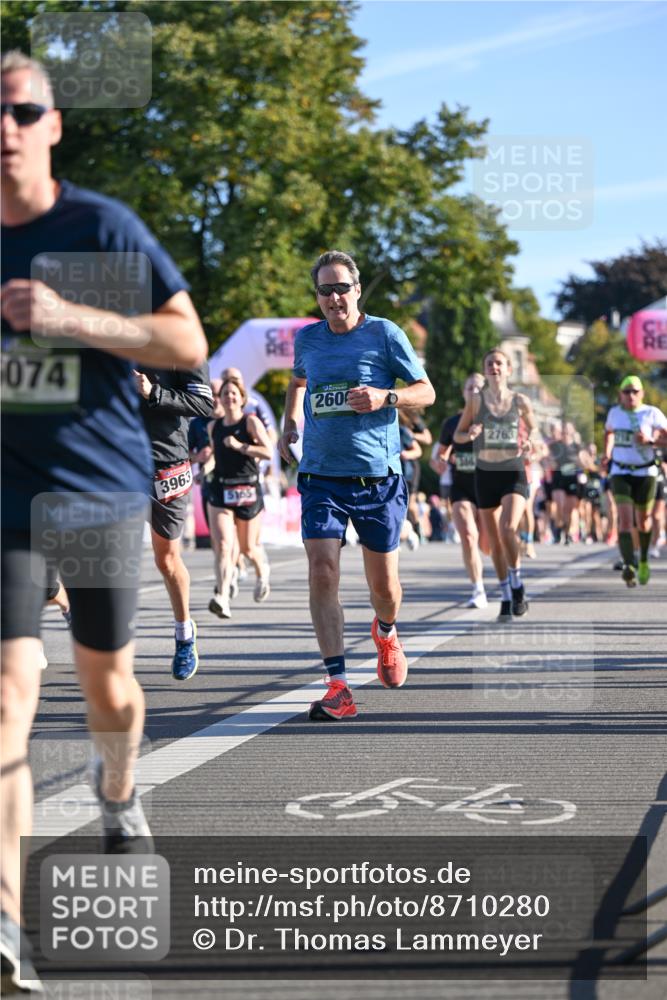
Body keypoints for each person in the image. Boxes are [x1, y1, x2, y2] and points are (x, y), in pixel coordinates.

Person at [0, 51, 207, 993]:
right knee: (9, 691)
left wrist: (71, 317)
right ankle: (6, 923)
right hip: (5, 493)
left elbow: (185, 342)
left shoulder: (100, 225)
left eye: (23, 111)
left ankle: (117, 792)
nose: (5, 129)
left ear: (52, 125)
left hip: (96, 486)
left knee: (108, 688)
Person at [279, 250, 435, 720]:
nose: (333, 298)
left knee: (384, 587)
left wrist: (387, 397)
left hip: (377, 478)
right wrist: (289, 424)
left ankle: (386, 630)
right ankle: (338, 685)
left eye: (341, 288)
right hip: (321, 474)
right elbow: (298, 382)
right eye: (324, 290)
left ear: (357, 290)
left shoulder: (384, 334)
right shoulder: (308, 339)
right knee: (322, 571)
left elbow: (425, 391)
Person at [134, 361, 213, 680]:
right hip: (117, 460)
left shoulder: (182, 344)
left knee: (166, 559)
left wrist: (154, 392)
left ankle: (184, 633)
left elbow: (203, 403)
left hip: (166, 461)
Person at [454, 348, 538, 622]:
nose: (494, 367)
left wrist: (529, 442)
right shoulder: (476, 402)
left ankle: (517, 583)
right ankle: (505, 594)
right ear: (485, 368)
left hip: (512, 470)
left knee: (508, 529)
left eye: (499, 363)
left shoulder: (520, 400)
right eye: (489, 363)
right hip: (485, 473)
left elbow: (535, 429)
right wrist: (471, 433)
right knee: (494, 542)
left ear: (509, 369)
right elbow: (459, 434)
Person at [206, 376, 273, 618]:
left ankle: (262, 570)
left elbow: (268, 451)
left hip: (247, 489)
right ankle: (222, 597)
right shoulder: (213, 427)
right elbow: (215, 455)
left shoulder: (250, 422)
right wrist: (205, 466)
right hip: (222, 490)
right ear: (220, 399)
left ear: (242, 398)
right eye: (225, 393)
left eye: (233, 393)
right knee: (224, 545)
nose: (229, 397)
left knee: (247, 548)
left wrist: (240, 446)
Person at [602, 376, 667, 586]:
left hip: (645, 472)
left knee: (644, 521)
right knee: (625, 520)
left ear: (642, 394)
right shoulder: (614, 413)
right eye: (626, 392)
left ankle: (644, 559)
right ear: (620, 394)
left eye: (635, 392)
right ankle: (629, 564)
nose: (630, 395)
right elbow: (609, 433)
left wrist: (651, 441)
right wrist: (607, 453)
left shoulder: (651, 413)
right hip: (620, 471)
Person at [435, 373, 488, 608]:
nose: (474, 392)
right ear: (463, 393)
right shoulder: (451, 423)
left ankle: (506, 577)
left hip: (489, 486)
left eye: (478, 388)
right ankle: (478, 589)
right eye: (469, 388)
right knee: (468, 535)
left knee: (488, 544)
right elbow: (440, 454)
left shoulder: (494, 420)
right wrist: (441, 461)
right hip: (461, 486)